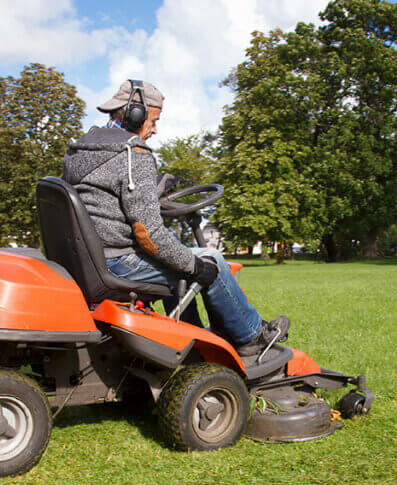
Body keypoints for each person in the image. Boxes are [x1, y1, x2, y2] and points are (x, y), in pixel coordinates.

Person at [61, 79, 288, 357]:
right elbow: (149, 235)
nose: (155, 130)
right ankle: (251, 337)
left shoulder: (80, 149)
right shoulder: (134, 154)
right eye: (153, 121)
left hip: (88, 260)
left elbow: (105, 198)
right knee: (210, 260)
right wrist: (195, 266)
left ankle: (193, 343)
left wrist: (152, 189)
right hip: (118, 262)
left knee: (177, 258)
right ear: (136, 114)